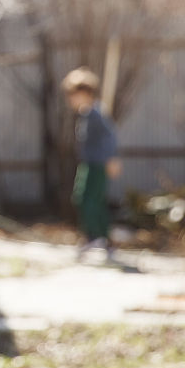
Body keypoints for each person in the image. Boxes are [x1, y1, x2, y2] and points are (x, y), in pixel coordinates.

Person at [61, 67, 118, 259]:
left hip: (98, 164)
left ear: (85, 93)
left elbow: (109, 137)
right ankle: (96, 238)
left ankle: (98, 237)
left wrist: (111, 159)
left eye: (73, 95)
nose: (71, 100)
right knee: (84, 198)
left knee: (91, 200)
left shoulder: (96, 113)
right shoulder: (84, 114)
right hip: (87, 163)